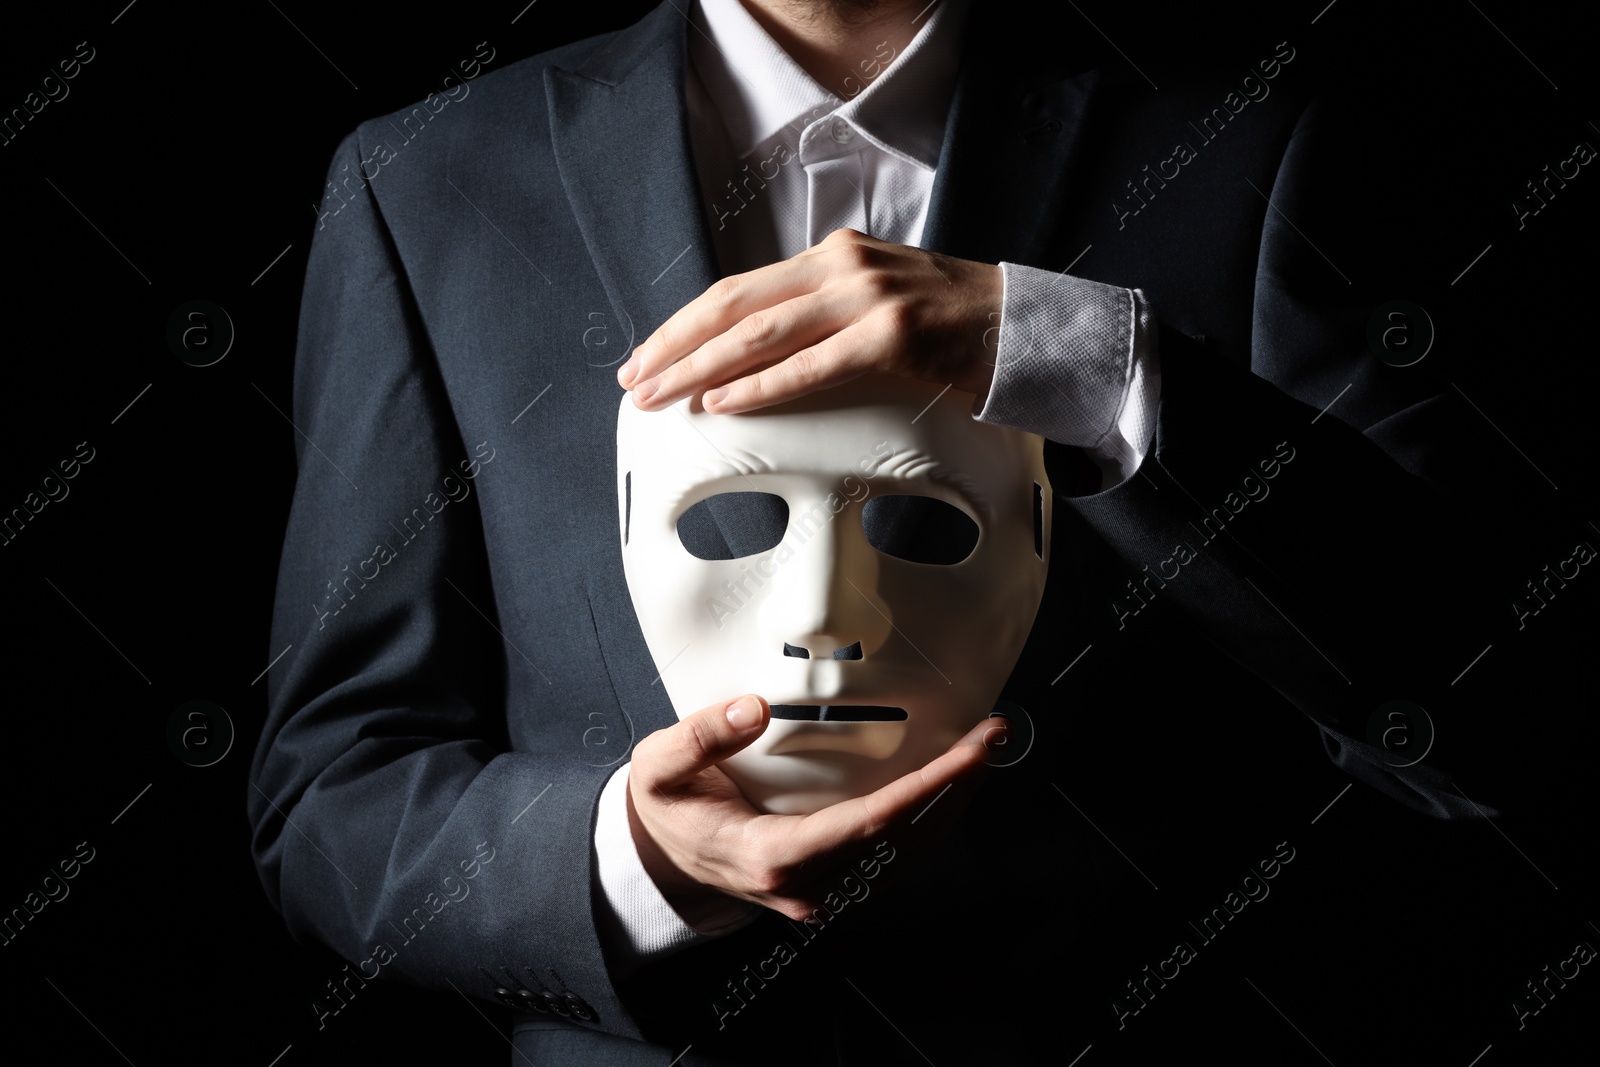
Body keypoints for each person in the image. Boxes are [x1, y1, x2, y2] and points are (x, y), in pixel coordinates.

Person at [251, 1, 1595, 1062]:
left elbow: (1486, 721)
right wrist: (629, 859)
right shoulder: (430, 181)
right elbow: (331, 799)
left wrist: (1083, 359)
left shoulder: (1245, 143)